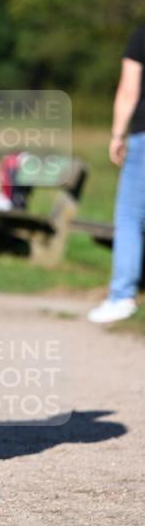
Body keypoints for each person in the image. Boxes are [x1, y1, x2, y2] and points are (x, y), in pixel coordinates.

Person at [88, 24, 145, 324]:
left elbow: (128, 91)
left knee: (130, 217)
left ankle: (122, 296)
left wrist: (117, 135)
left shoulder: (141, 35)